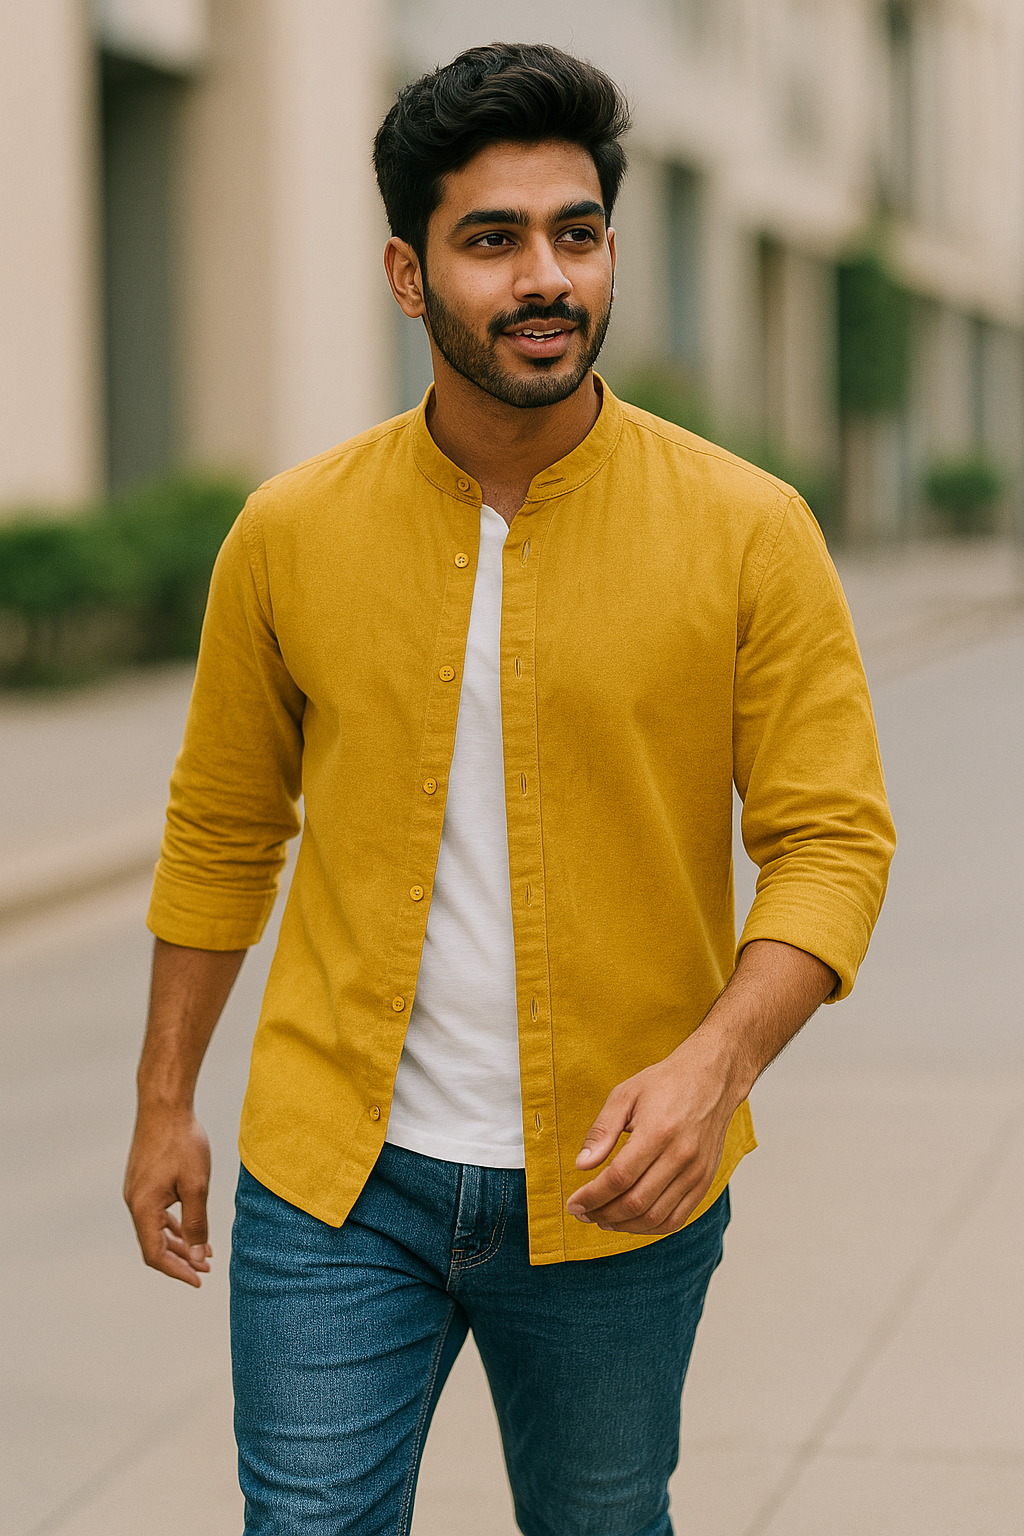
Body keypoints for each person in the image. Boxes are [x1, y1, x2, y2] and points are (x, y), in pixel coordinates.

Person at [124, 41, 895, 1536]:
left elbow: (830, 840)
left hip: (619, 1182)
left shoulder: (750, 533)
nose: (547, 276)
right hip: (337, 1179)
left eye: (578, 232)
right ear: (410, 276)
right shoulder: (288, 535)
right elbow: (224, 825)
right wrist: (166, 1103)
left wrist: (718, 1063)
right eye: (494, 240)